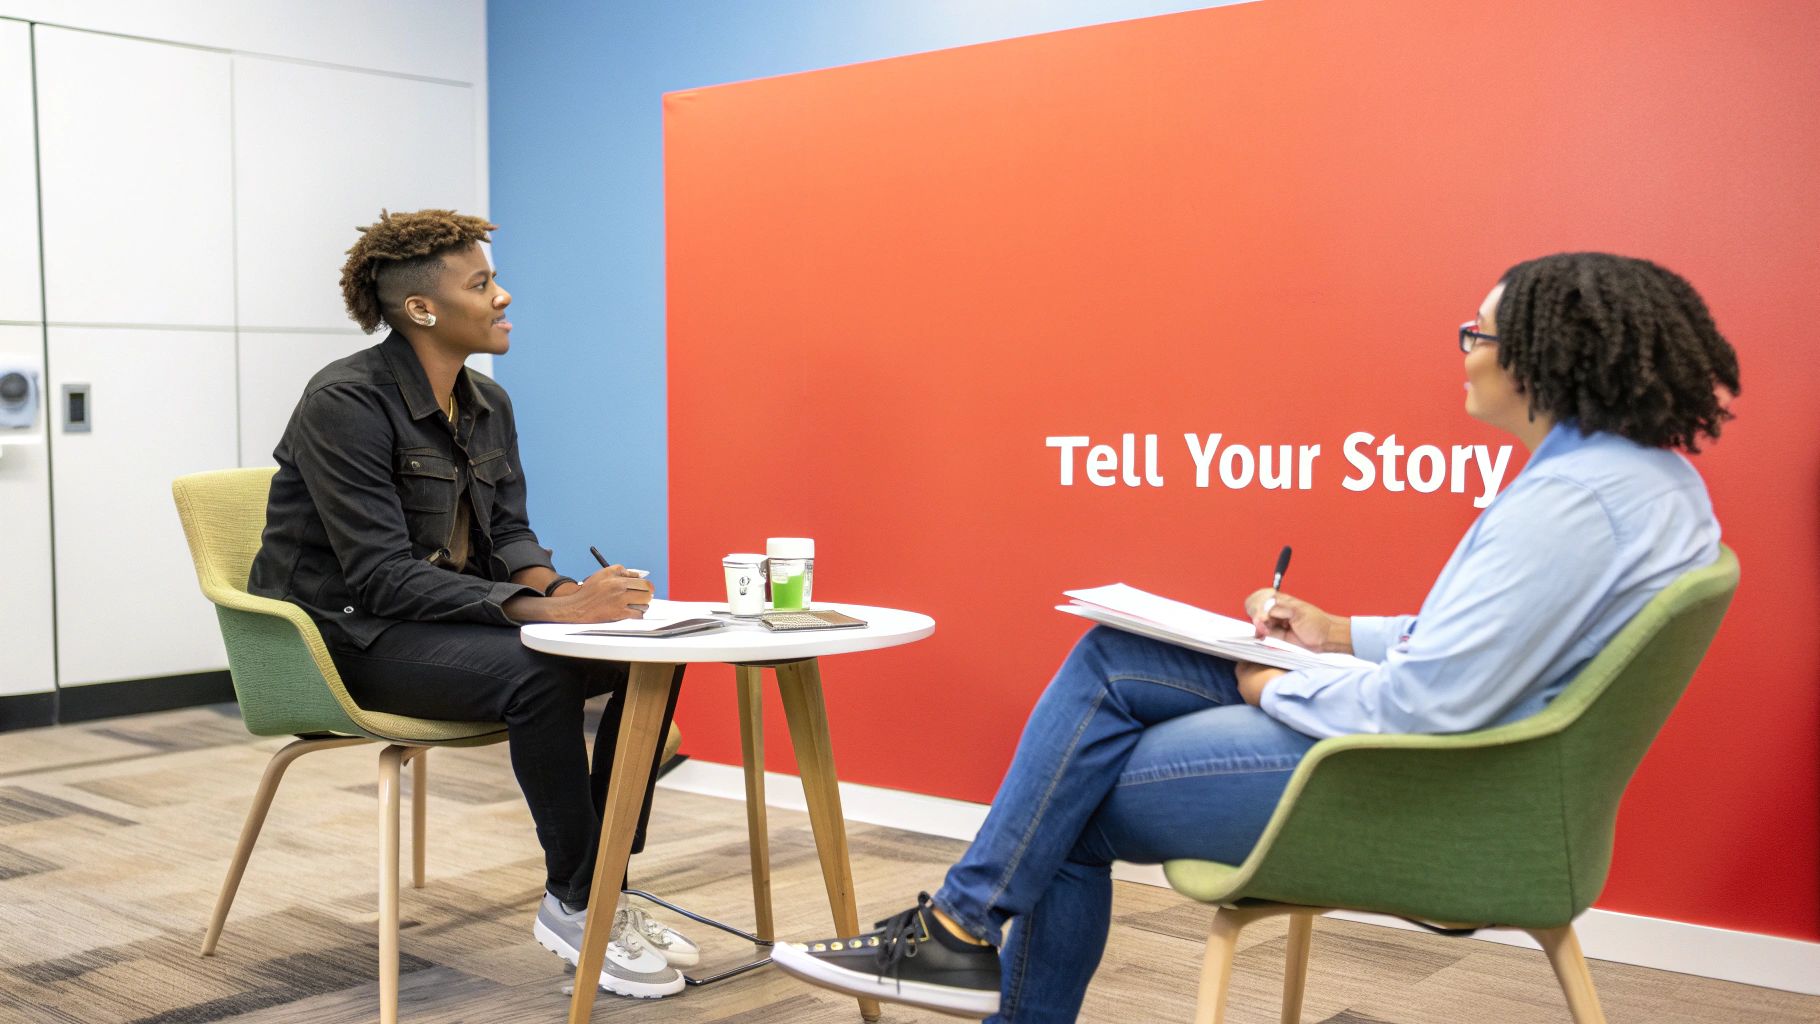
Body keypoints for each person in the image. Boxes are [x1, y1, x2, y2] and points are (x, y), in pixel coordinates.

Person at [771, 252, 1741, 1021]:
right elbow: (1490, 646)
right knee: (1114, 655)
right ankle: (956, 927)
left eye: (1473, 334)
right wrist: (1333, 631)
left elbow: (1428, 701)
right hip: (1478, 772)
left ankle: (957, 930)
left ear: (1540, 353)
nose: (1461, 352)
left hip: (1421, 784)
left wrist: (1269, 686)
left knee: (1073, 795)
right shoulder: (1641, 483)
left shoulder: (1568, 500)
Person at [248, 209, 694, 999]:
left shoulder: (487, 403)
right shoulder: (344, 402)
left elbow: (510, 535)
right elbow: (382, 577)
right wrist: (549, 617)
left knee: (651, 654)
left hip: (435, 623)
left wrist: (570, 594)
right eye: (482, 283)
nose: (503, 295)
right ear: (422, 308)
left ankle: (602, 890)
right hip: (342, 639)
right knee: (540, 675)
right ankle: (579, 902)